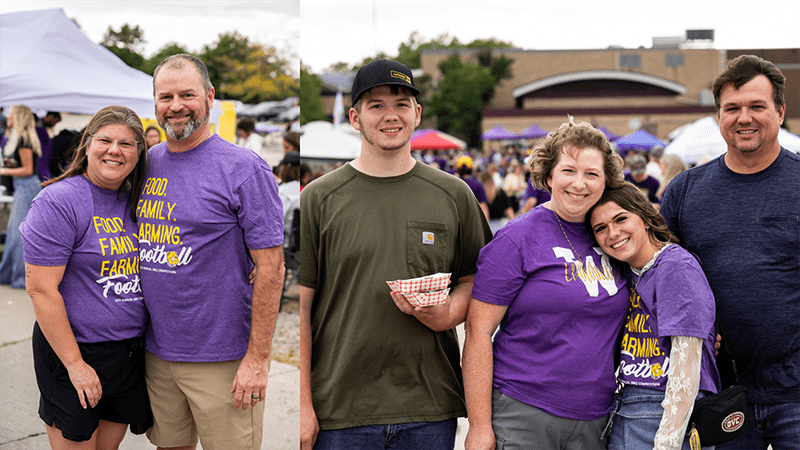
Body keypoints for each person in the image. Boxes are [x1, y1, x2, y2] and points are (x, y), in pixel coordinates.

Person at [300, 58, 492, 450]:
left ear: (417, 113)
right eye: (376, 105)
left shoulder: (454, 195)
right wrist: (304, 405)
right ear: (355, 117)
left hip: (429, 409)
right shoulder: (318, 198)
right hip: (339, 408)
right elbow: (301, 309)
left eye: (401, 103)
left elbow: (479, 282)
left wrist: (449, 313)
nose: (391, 115)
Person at [140, 53, 285, 450]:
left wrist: (257, 360)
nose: (175, 106)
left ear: (209, 96)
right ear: (154, 102)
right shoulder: (146, 164)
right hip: (156, 352)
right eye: (165, 96)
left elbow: (271, 269)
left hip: (223, 358)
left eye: (187, 94)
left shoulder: (244, 169)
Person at [660, 54, 800, 449]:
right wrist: (695, 328)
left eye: (757, 106)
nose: (744, 118)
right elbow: (660, 277)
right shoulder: (685, 191)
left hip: (795, 392)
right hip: (718, 390)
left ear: (780, 110)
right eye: (732, 108)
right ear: (719, 115)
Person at [463, 120, 629, 450]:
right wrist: (479, 426)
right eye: (568, 170)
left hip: (596, 417)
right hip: (524, 412)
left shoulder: (615, 236)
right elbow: (477, 331)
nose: (579, 184)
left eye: (592, 174)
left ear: (606, 181)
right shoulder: (517, 238)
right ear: (549, 175)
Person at [20, 105, 152, 449]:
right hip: (73, 351)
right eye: (105, 140)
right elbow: (40, 290)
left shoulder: (137, 201)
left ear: (139, 153)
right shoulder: (59, 201)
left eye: (127, 144)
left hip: (127, 353)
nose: (114, 150)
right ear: (86, 145)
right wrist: (75, 364)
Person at [588, 182, 720, 450]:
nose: (613, 233)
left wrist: (668, 442)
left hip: (666, 410)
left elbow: (687, 365)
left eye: (621, 219)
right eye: (601, 228)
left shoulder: (674, 265)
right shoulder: (626, 272)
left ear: (646, 219)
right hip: (626, 406)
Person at [0, 104, 42, 289]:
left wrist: (3, 170)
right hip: (22, 187)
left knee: (19, 236)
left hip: (26, 187)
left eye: (10, 114)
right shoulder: (20, 138)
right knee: (14, 234)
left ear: (17, 117)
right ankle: (11, 275)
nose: (8, 117)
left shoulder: (23, 140)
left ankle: (20, 277)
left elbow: (28, 170)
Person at [478, 170, 514, 234]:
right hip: (501, 226)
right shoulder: (500, 192)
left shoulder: (481, 195)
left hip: (487, 227)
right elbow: (509, 210)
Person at [456, 155, 490, 221]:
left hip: (458, 220)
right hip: (473, 220)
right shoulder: (478, 184)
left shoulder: (454, 183)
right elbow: (483, 206)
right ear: (471, 168)